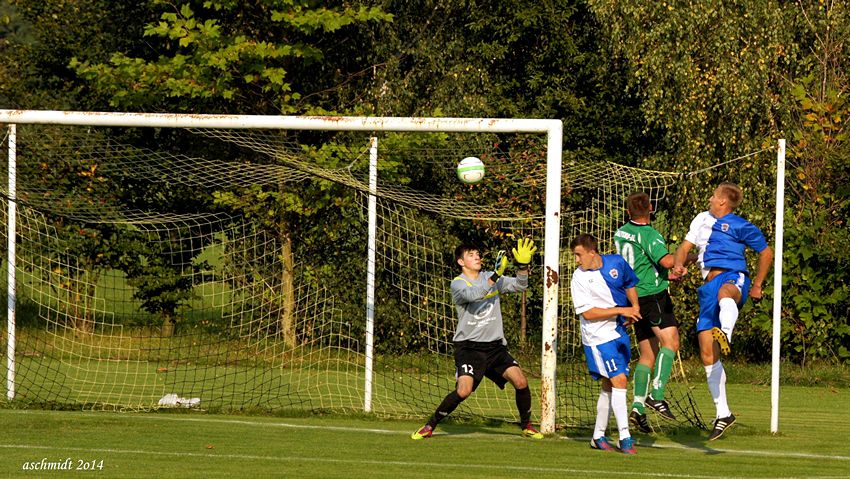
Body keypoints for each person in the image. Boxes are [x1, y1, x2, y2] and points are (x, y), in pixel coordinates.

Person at [411, 238, 544, 440]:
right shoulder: (458, 283)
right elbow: (474, 294)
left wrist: (522, 267)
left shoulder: (491, 276)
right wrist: (496, 276)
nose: (477, 257)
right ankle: (430, 425)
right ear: (461, 262)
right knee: (464, 391)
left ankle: (526, 426)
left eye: (478, 254)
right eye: (471, 254)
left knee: (521, 381)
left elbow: (520, 286)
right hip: (469, 349)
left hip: (495, 348)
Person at [672, 182, 773, 441]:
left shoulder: (740, 225)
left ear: (723, 202)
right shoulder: (701, 220)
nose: (709, 198)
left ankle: (725, 332)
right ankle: (724, 414)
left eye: (714, 195)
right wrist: (679, 265)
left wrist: (758, 285)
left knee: (725, 294)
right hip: (707, 287)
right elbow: (683, 249)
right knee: (707, 353)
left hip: (732, 275)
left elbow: (766, 252)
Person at [613, 192, 686, 432]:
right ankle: (657, 394)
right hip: (652, 295)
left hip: (634, 296)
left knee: (648, 354)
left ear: (628, 211)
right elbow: (666, 261)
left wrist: (666, 274)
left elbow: (643, 263)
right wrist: (688, 256)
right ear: (651, 208)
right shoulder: (649, 234)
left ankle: (637, 408)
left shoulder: (620, 233)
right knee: (671, 342)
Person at [569, 233, 641, 454]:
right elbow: (588, 313)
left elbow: (629, 283)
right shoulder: (578, 278)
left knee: (610, 385)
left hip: (618, 332)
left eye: (579, 255)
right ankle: (625, 437)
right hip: (598, 337)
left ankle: (598, 436)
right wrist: (622, 310)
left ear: (592, 252)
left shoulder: (616, 262)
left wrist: (635, 308)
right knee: (619, 380)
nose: (576, 260)